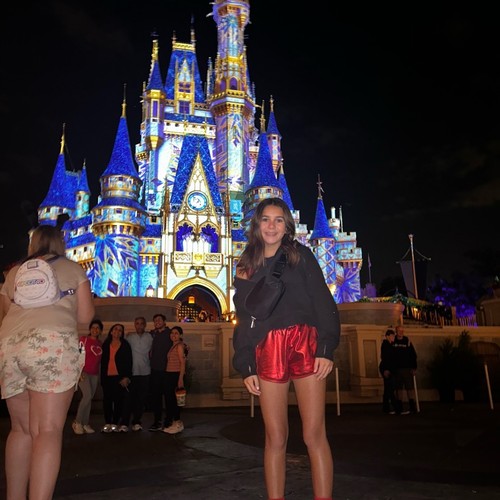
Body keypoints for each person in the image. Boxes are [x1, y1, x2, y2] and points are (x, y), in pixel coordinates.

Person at [233, 197, 340, 500]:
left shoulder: (300, 256)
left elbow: (322, 300)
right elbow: (244, 318)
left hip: (305, 343)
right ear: (256, 224)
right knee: (275, 437)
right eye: (265, 219)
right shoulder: (245, 266)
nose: (271, 226)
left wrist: (325, 347)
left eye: (278, 220)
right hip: (268, 347)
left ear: (287, 225)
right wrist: (246, 364)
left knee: (313, 434)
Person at [0, 224, 94, 500]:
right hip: (51, 345)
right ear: (60, 243)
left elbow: (5, 312)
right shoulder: (73, 269)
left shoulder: (14, 272)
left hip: (10, 346)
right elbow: (85, 317)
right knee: (47, 430)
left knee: (20, 430)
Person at [100, 323, 133, 432]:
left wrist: (127, 377)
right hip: (107, 377)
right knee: (107, 401)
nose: (117, 331)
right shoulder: (105, 344)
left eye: (120, 330)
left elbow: (129, 362)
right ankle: (107, 422)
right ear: (111, 331)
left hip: (119, 378)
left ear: (122, 333)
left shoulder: (125, 345)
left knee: (118, 401)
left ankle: (115, 422)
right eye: (115, 329)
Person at [73, 319, 104, 434]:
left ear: (100, 331)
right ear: (90, 329)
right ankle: (77, 422)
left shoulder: (100, 344)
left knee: (89, 398)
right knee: (87, 396)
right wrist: (79, 372)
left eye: (98, 328)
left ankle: (85, 423)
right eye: (93, 327)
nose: (95, 330)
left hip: (94, 374)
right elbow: (77, 355)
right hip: (84, 372)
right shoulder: (83, 340)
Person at [126, 316, 153, 431]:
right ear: (134, 325)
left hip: (145, 372)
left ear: (145, 325)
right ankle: (125, 422)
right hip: (132, 372)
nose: (139, 325)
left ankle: (137, 422)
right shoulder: (129, 337)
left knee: (141, 399)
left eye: (142, 323)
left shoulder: (150, 337)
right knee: (129, 398)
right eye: (137, 323)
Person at [148, 313, 172, 431]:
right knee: (156, 397)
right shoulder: (152, 334)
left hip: (167, 370)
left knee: (168, 396)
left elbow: (180, 344)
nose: (157, 322)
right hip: (155, 370)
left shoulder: (170, 333)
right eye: (155, 320)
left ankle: (169, 421)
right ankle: (157, 421)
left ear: (164, 321)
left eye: (159, 320)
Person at [162, 326, 187, 434]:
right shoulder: (174, 345)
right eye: (172, 333)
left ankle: (177, 423)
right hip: (169, 374)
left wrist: (180, 378)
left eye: (176, 333)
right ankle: (173, 423)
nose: (173, 335)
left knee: (175, 400)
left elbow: (182, 363)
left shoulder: (179, 346)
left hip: (175, 375)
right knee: (170, 400)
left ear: (180, 335)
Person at [393, 325, 418, 414]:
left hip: (407, 368)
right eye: (399, 331)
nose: (401, 332)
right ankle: (399, 406)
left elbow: (413, 355)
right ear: (396, 331)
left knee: (409, 388)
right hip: (397, 369)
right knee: (398, 388)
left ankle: (412, 406)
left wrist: (414, 367)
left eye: (402, 331)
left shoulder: (407, 341)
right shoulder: (393, 341)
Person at [379, 329, 396, 414]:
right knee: (390, 388)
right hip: (386, 368)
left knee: (388, 388)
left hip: (389, 368)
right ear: (387, 336)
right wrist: (386, 369)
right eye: (392, 336)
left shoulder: (391, 345)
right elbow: (385, 357)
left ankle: (387, 408)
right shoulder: (386, 345)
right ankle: (394, 406)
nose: (393, 337)